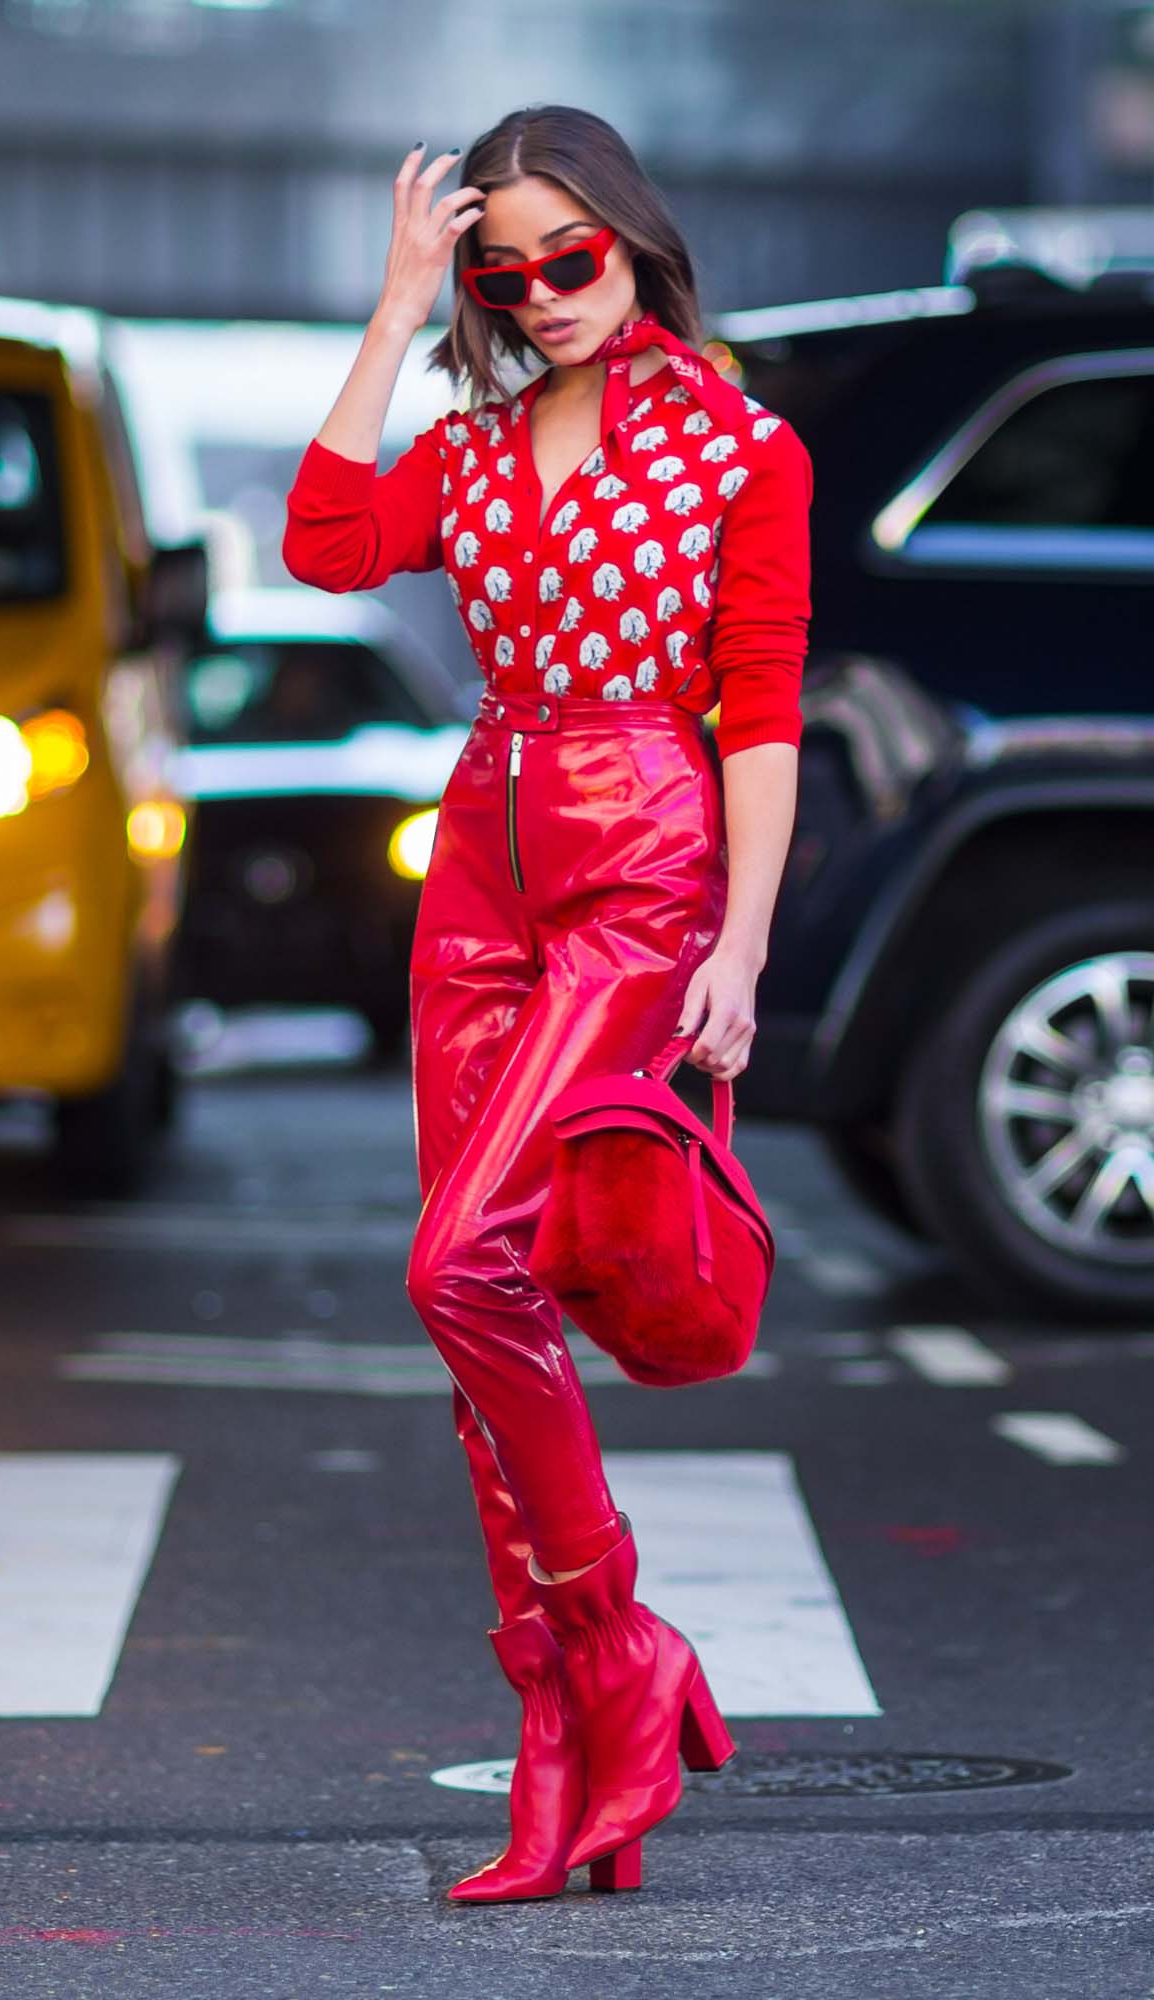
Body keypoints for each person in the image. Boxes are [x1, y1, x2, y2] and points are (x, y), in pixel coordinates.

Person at [280, 104, 809, 1903]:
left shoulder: (740, 449)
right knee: (478, 1307)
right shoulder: (478, 440)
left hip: (640, 862)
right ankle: (563, 1727)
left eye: (568, 254)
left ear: (633, 239)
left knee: (457, 1269)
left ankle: (623, 1655)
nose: (543, 291)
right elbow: (325, 539)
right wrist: (398, 300)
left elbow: (759, 708)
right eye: (507, 268)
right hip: (483, 867)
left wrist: (738, 943)